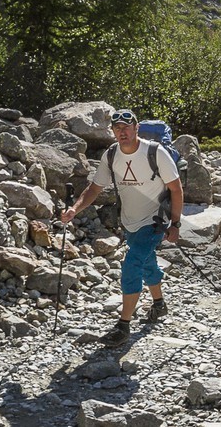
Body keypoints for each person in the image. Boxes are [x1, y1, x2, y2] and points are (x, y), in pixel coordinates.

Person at [60, 108, 183, 345]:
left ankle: (123, 326)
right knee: (147, 262)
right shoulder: (112, 154)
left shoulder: (155, 153)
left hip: (154, 221)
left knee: (132, 265)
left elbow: (176, 189)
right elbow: (95, 188)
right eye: (117, 128)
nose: (122, 132)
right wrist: (75, 209)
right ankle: (159, 304)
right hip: (129, 222)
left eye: (126, 127)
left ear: (137, 128)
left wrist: (175, 224)